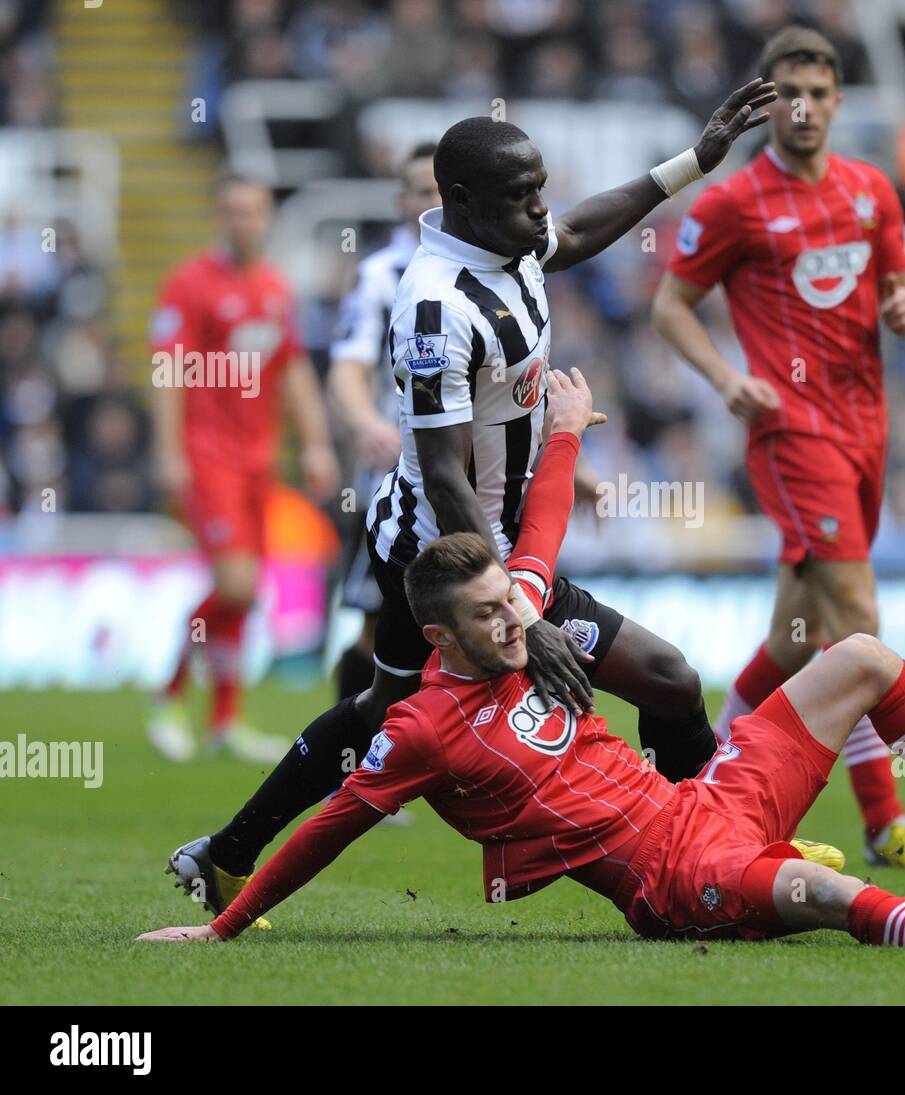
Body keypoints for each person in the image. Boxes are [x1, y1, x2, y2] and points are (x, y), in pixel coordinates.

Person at [164, 79, 852, 919]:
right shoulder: (433, 306)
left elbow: (587, 228)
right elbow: (445, 473)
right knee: (393, 710)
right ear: (461, 202)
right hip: (441, 557)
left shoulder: (509, 239)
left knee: (668, 682)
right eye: (522, 195)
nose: (540, 210)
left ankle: (715, 848)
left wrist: (693, 163)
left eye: (539, 191)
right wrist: (519, 614)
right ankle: (230, 854)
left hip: (512, 543)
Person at [139, 369, 905, 949]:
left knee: (857, 654)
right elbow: (331, 829)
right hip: (667, 878)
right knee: (815, 894)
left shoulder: (516, 612)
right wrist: (221, 930)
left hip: (710, 799)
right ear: (439, 638)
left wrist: (562, 433)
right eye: (488, 615)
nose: (516, 620)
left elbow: (545, 537)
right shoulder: (421, 728)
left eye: (509, 600)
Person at [651, 26, 905, 868]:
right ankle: (885, 821)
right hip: (794, 437)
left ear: (837, 101)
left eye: (820, 93)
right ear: (767, 102)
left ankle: (703, 783)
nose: (805, 108)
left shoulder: (872, 190)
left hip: (869, 428)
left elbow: (901, 289)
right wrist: (726, 378)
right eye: (789, 92)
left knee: (796, 639)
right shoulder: (732, 202)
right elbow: (670, 307)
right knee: (859, 625)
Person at [148, 174, 339, 764]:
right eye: (232, 211)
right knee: (235, 584)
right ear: (218, 216)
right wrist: (169, 452)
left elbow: (293, 370)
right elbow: (167, 371)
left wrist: (315, 443)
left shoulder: (275, 290)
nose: (242, 222)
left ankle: (225, 719)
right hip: (208, 460)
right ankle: (171, 693)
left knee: (248, 591)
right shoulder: (190, 285)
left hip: (259, 461)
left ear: (265, 218)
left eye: (252, 212)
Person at [328, 141, 440, 701]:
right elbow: (347, 365)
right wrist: (366, 423)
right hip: (397, 479)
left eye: (444, 191)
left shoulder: (494, 264)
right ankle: (346, 761)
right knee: (377, 627)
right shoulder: (381, 275)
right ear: (402, 201)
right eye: (424, 192)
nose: (435, 203)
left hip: (480, 480)